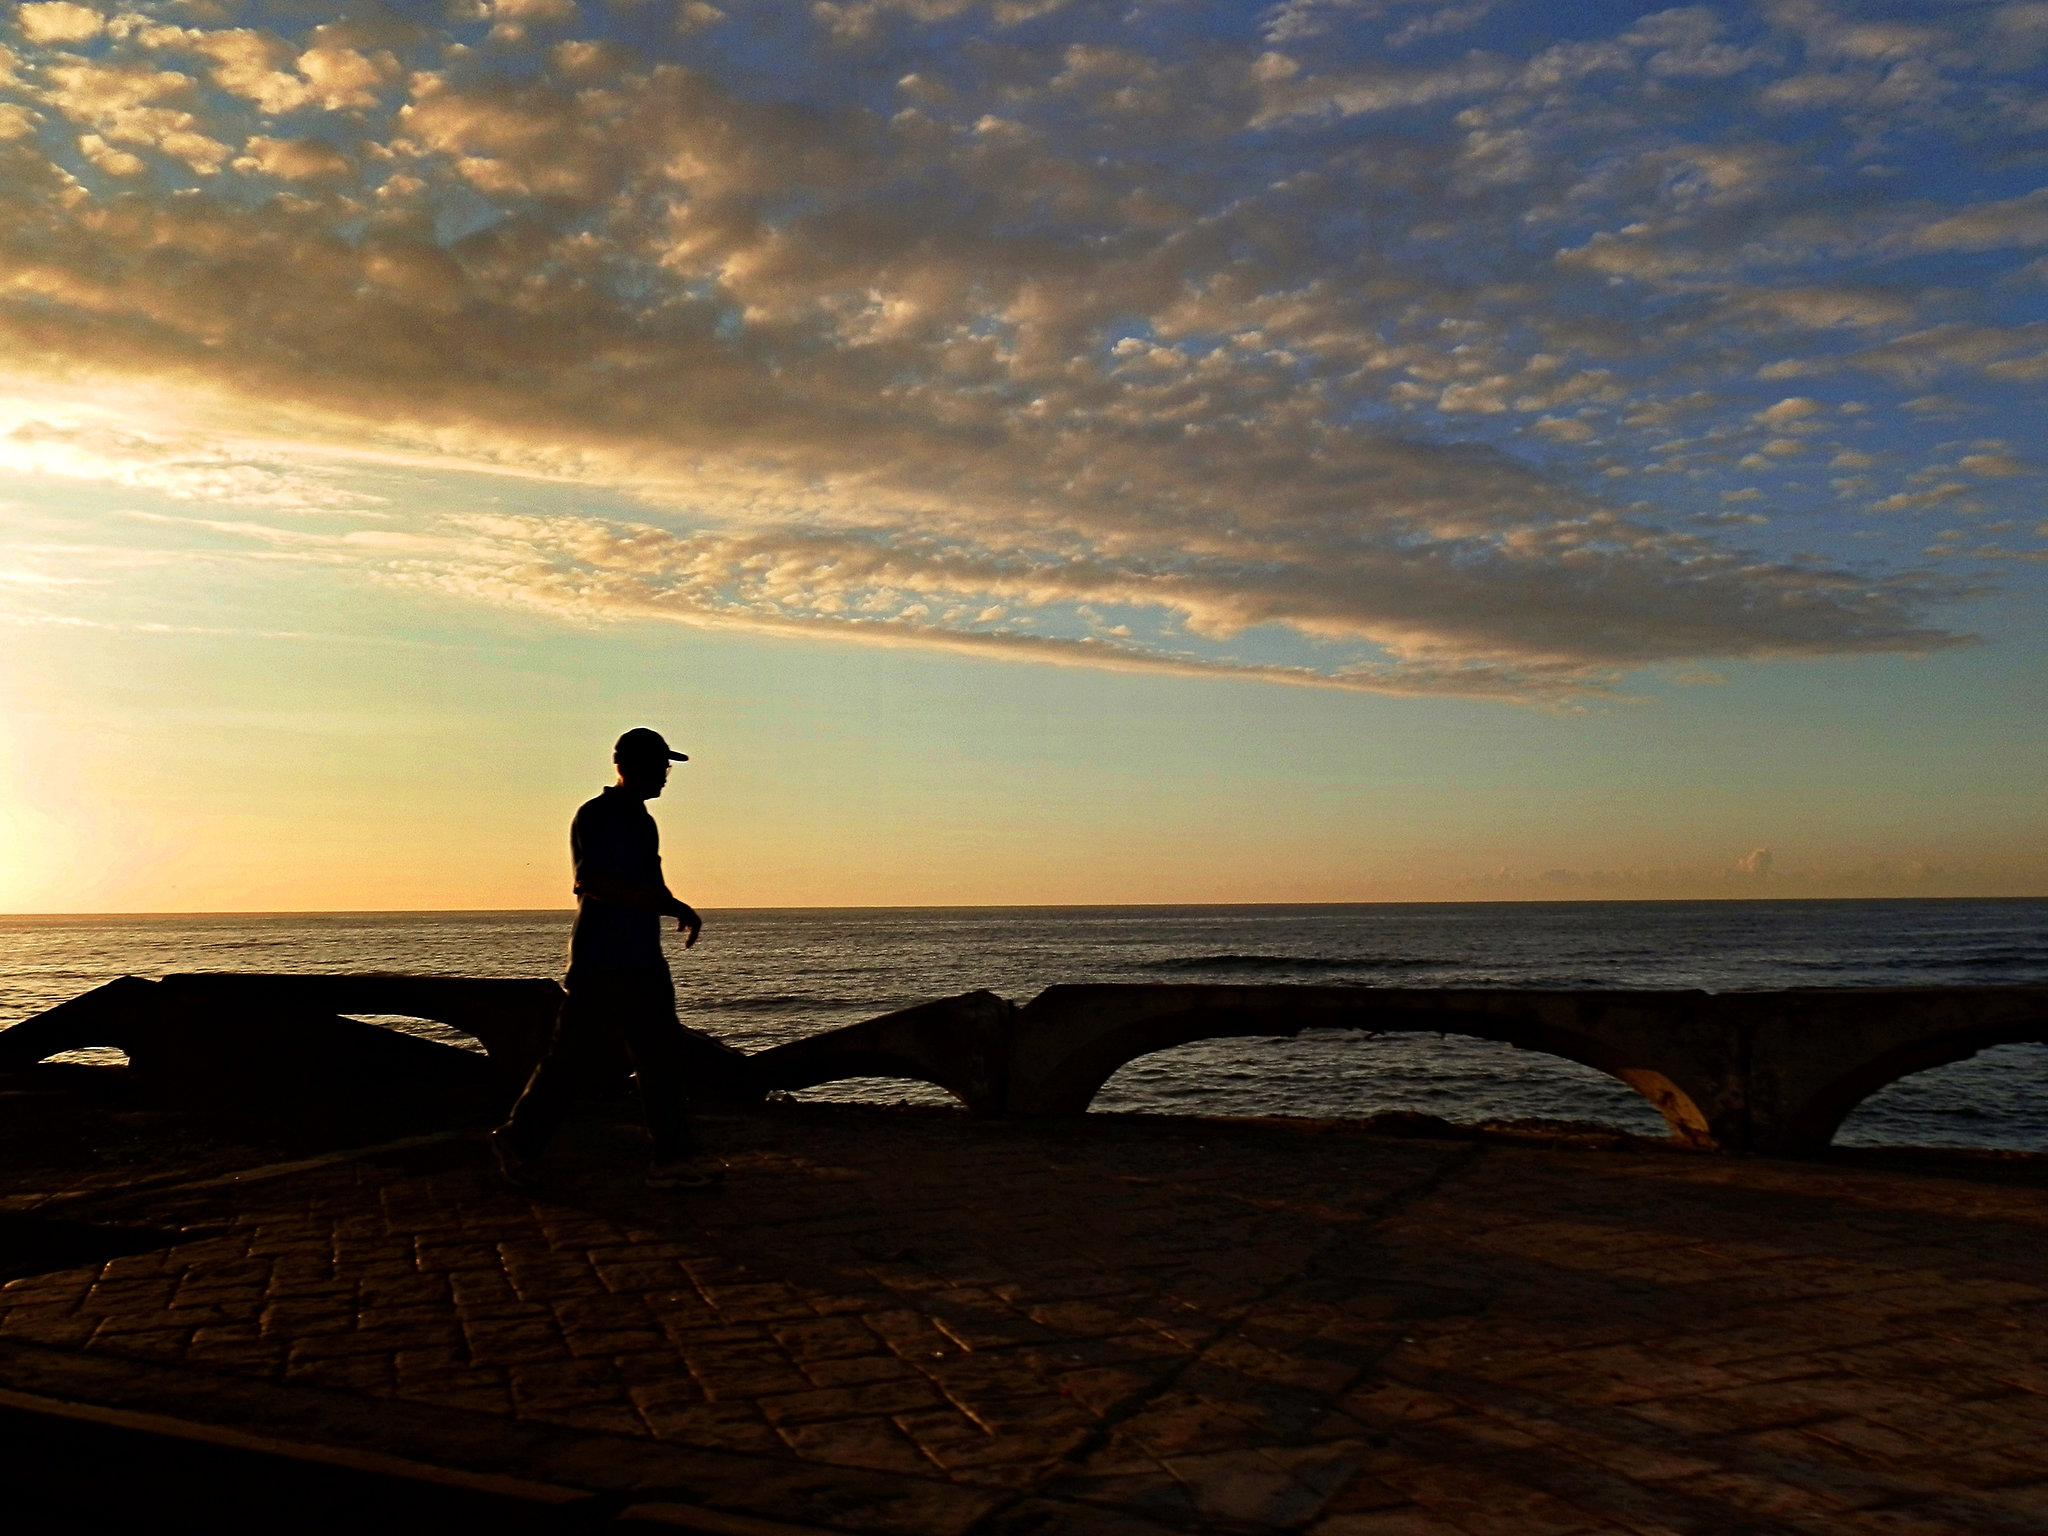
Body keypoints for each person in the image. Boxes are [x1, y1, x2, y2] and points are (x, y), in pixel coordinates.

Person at [490, 727, 723, 1190]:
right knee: (571, 1060)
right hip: (601, 960)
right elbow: (590, 880)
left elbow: (652, 884)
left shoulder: (643, 822)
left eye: (667, 767)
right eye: (659, 766)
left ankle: (673, 1160)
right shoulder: (595, 816)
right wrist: (645, 900)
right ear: (627, 766)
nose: (665, 776)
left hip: (642, 959)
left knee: (660, 1059)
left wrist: (676, 908)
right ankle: (518, 1142)